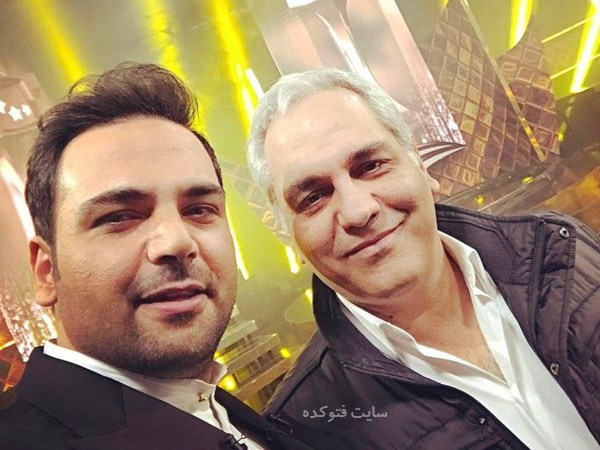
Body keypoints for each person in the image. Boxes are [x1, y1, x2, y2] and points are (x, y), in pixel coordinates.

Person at [246, 67, 600, 449]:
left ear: (420, 163)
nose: (358, 210)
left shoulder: (561, 251)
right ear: (287, 234)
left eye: (371, 166)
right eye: (313, 197)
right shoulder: (306, 431)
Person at [0, 63, 311, 450]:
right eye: (119, 217)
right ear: (47, 272)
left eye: (199, 209)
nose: (177, 241)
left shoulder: (212, 404)